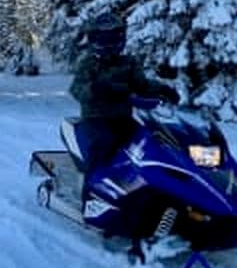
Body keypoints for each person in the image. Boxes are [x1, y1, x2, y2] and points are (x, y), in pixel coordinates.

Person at [69, 13, 179, 177]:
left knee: (150, 141)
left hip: (123, 118)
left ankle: (146, 184)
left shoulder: (128, 63)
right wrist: (95, 89)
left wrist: (163, 90)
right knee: (103, 144)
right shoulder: (89, 63)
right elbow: (76, 88)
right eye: (104, 38)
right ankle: (91, 192)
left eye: (113, 37)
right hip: (96, 118)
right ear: (95, 39)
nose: (109, 43)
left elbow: (142, 85)